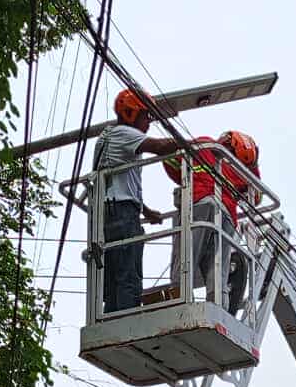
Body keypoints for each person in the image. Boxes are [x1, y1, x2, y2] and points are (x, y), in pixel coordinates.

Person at [93, 88, 177, 314]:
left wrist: (145, 211)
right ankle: (127, 318)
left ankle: (112, 319)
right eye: (146, 116)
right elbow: (159, 147)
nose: (148, 122)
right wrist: (194, 145)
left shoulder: (109, 137)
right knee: (128, 276)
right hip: (121, 212)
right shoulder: (124, 133)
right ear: (131, 113)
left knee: (114, 279)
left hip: (108, 212)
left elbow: (120, 183)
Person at [174, 129, 257, 312]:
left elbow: (172, 164)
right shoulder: (240, 171)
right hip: (226, 217)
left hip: (198, 206)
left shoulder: (205, 143)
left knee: (186, 260)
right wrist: (253, 164)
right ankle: (219, 309)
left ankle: (179, 305)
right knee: (218, 269)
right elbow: (255, 196)